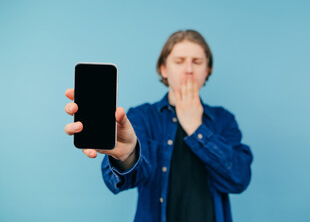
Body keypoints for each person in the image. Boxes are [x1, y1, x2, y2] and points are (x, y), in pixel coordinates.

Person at [64, 30, 253, 222]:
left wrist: (196, 129)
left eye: (197, 62)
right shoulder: (141, 117)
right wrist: (127, 156)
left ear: (207, 70)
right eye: (179, 61)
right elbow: (121, 180)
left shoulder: (224, 119)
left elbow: (239, 179)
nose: (189, 69)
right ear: (163, 69)